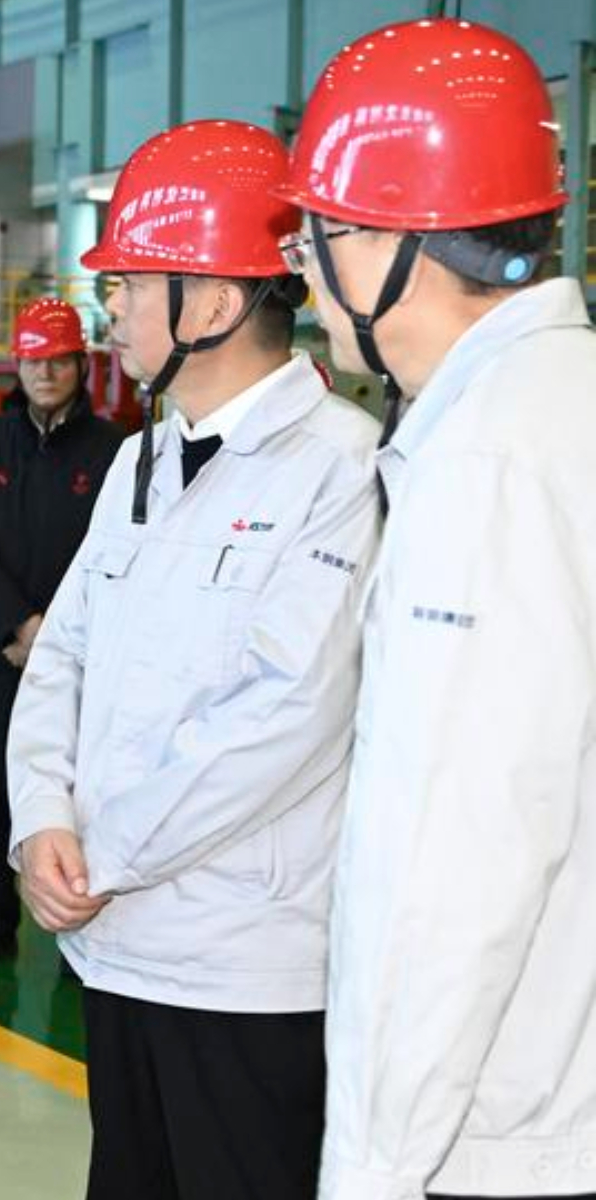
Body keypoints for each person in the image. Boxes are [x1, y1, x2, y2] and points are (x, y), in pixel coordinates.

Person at [6, 120, 382, 1200]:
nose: (107, 309)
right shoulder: (140, 458)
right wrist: (40, 822)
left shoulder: (340, 472)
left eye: (127, 283)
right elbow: (62, 656)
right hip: (112, 948)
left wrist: (100, 854)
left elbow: (286, 713)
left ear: (211, 304)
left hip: (243, 970)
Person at [274, 19, 596, 1200]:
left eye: (315, 236)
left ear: (386, 241)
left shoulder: (486, 463)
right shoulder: (557, 405)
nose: (301, 275)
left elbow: (449, 863)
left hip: (499, 1131)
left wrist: (368, 1169)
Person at [0, 297, 123, 967]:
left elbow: (112, 549)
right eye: (33, 360)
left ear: (80, 364)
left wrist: (58, 630)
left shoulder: (115, 451)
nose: (46, 372)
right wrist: (20, 621)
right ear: (16, 366)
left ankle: (83, 938)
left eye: (58, 360)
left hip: (84, 652)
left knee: (86, 793)